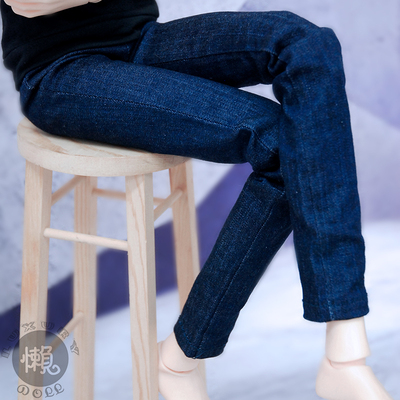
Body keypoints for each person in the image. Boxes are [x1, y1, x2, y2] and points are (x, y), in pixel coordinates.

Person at [0, 0, 394, 398]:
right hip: (62, 71)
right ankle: (183, 356)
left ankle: (344, 349)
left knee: (306, 44)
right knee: (281, 145)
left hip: (139, 39)